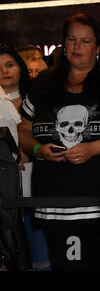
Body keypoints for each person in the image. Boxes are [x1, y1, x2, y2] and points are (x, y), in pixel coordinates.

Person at [17, 13, 100, 271]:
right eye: (71, 40)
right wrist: (38, 149)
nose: (76, 47)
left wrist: (94, 148)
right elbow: (22, 130)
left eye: (85, 41)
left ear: (98, 46)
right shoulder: (45, 82)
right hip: (54, 202)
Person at [0, 43, 48, 271]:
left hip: (37, 183)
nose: (4, 71)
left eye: (9, 64)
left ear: (20, 67)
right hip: (4, 191)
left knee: (41, 256)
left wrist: (30, 152)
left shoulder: (38, 98)